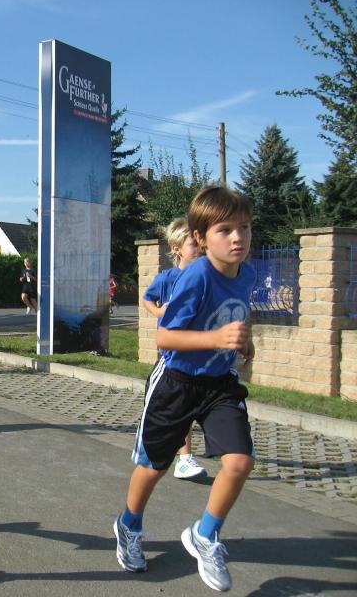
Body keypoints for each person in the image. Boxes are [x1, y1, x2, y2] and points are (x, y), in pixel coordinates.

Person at [115, 186, 256, 593]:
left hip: (220, 384)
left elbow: (236, 316)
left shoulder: (246, 274)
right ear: (200, 237)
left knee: (240, 461)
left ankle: (205, 534)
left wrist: (245, 340)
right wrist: (215, 338)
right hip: (176, 382)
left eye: (244, 228)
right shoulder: (196, 276)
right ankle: (129, 524)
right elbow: (165, 337)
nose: (237, 238)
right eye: (225, 230)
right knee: (154, 466)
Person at [142, 218, 206, 481]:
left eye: (201, 244)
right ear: (176, 248)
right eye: (193, 244)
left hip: (201, 352)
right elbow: (147, 299)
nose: (199, 249)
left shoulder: (207, 275)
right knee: (181, 406)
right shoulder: (167, 278)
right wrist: (159, 312)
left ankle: (229, 446)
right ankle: (183, 457)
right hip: (174, 354)